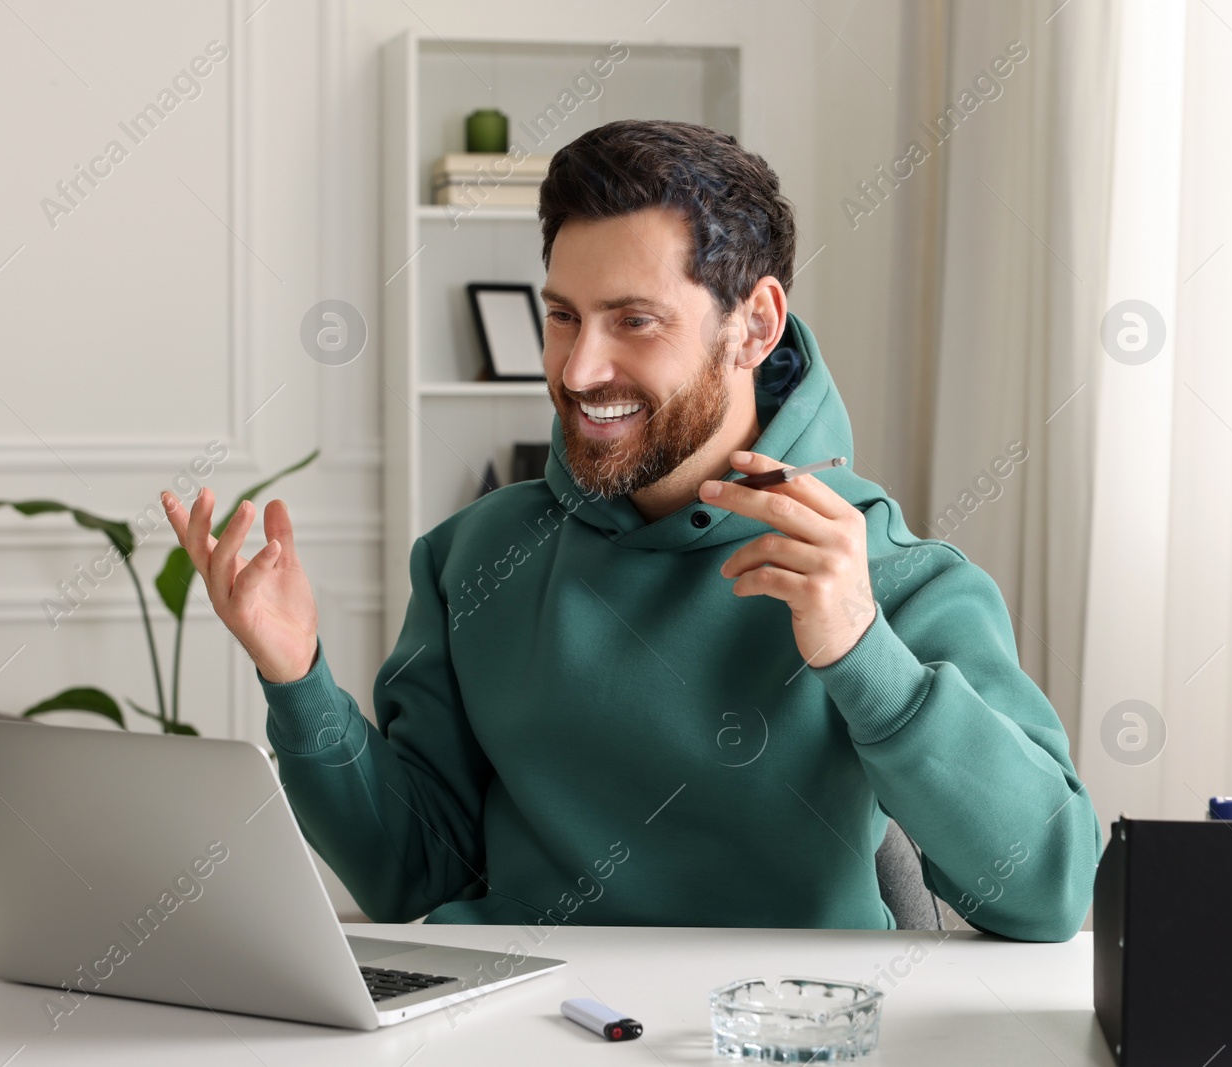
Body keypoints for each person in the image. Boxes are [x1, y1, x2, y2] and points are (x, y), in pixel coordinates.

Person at [162, 119, 1099, 941]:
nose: (578, 369)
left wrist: (864, 654)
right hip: (518, 1028)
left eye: (634, 321)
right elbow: (415, 872)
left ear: (754, 325)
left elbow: (1050, 891)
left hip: (777, 1036)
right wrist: (298, 679)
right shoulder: (474, 558)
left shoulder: (888, 574)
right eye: (562, 318)